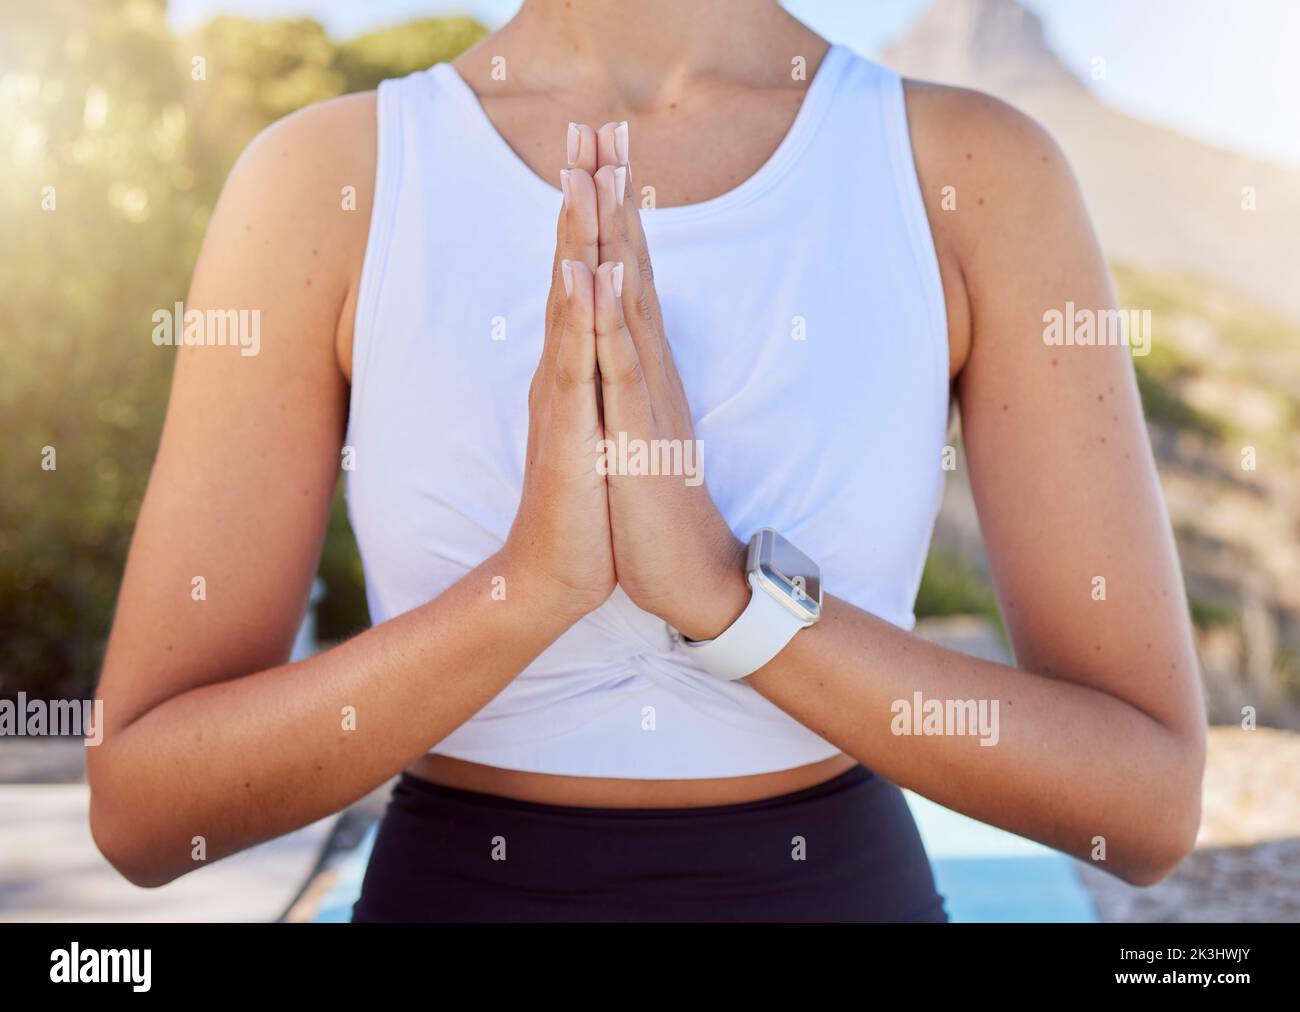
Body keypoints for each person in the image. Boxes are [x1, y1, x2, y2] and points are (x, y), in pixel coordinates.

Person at [88, 0, 1206, 921]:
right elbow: (145, 806)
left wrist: (727, 598)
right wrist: (526, 591)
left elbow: (1143, 801)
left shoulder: (972, 170)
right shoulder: (323, 182)